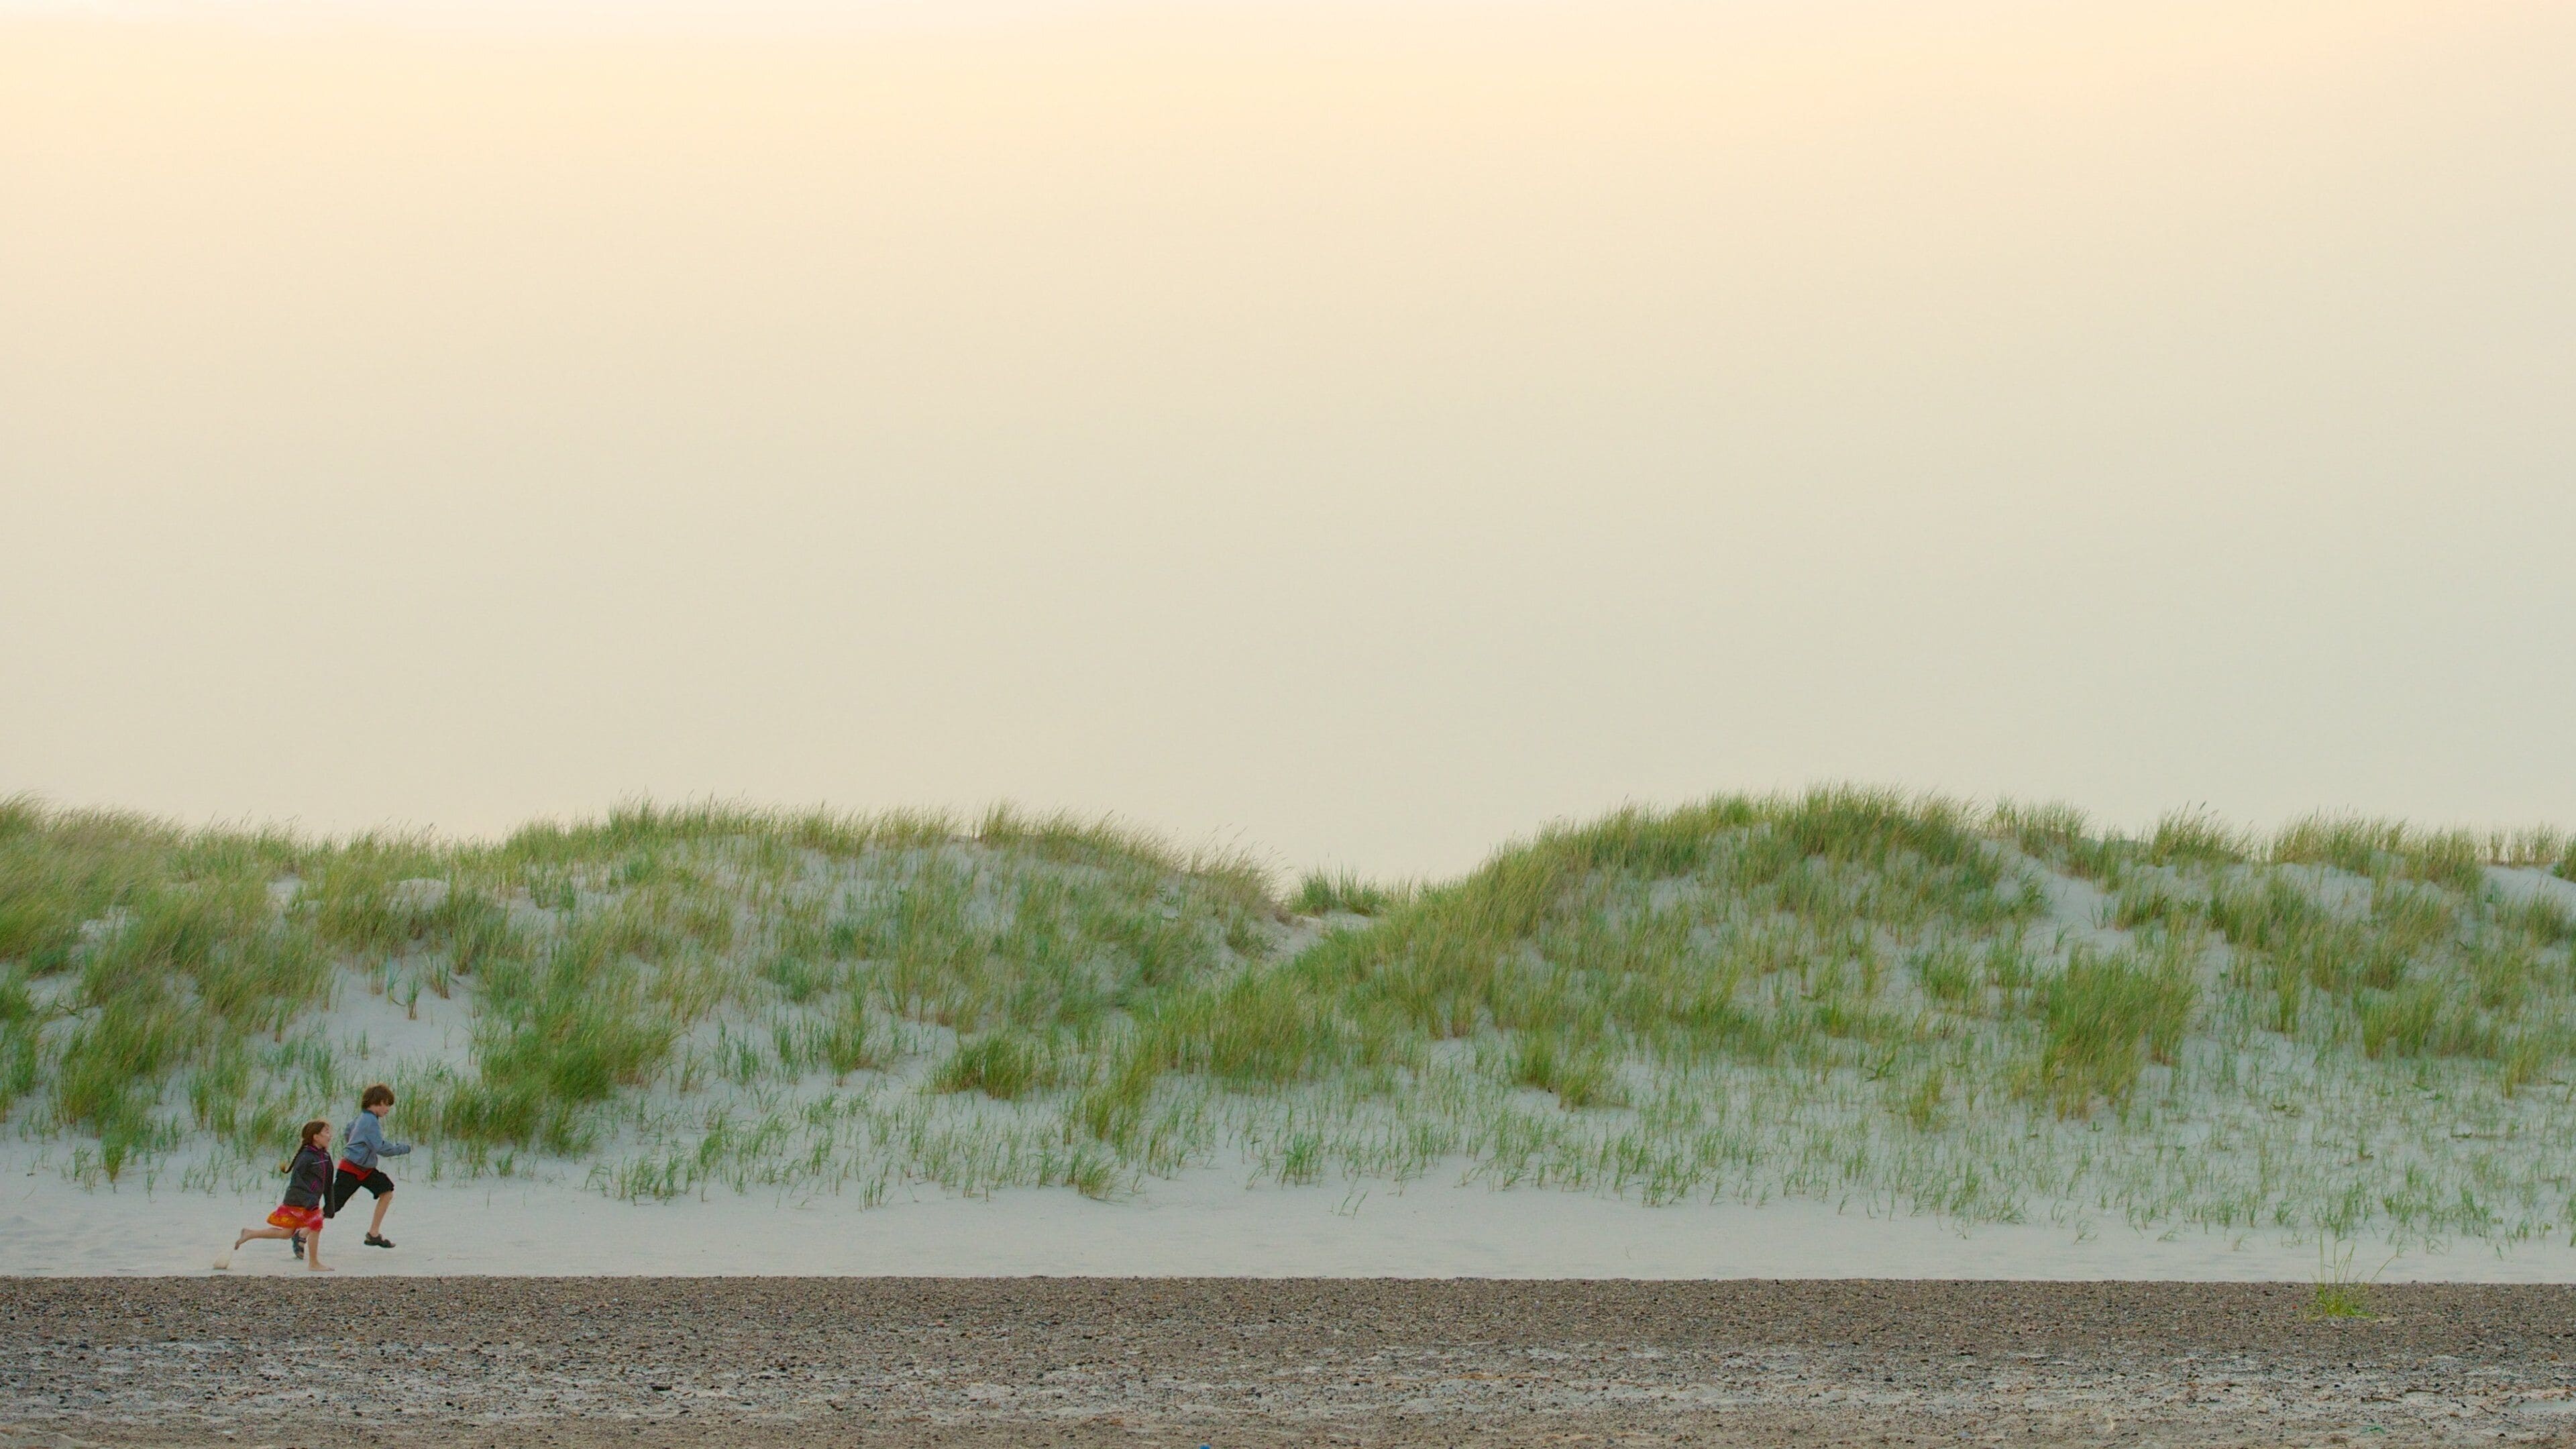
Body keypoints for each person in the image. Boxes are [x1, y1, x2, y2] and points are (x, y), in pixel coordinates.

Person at [215, 1119, 334, 1272]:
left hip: (308, 1201)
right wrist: (309, 1200)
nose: (330, 1136)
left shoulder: (325, 1157)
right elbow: (297, 1181)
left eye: (329, 1132)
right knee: (316, 1225)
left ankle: (250, 1234)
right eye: (326, 1132)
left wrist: (330, 1204)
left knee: (286, 1234)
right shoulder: (306, 1156)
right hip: (299, 1200)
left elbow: (329, 1183)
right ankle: (314, 1263)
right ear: (315, 1137)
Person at [330, 1083, 411, 1249]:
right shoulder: (370, 1121)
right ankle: (302, 1233)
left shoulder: (361, 1118)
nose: (388, 1109)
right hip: (351, 1170)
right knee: (332, 1206)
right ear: (379, 1102)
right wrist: (403, 1148)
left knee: (386, 1190)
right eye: (387, 1104)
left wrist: (357, 1150)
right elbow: (380, 1147)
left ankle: (373, 1234)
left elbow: (348, 1132)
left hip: (364, 1170)